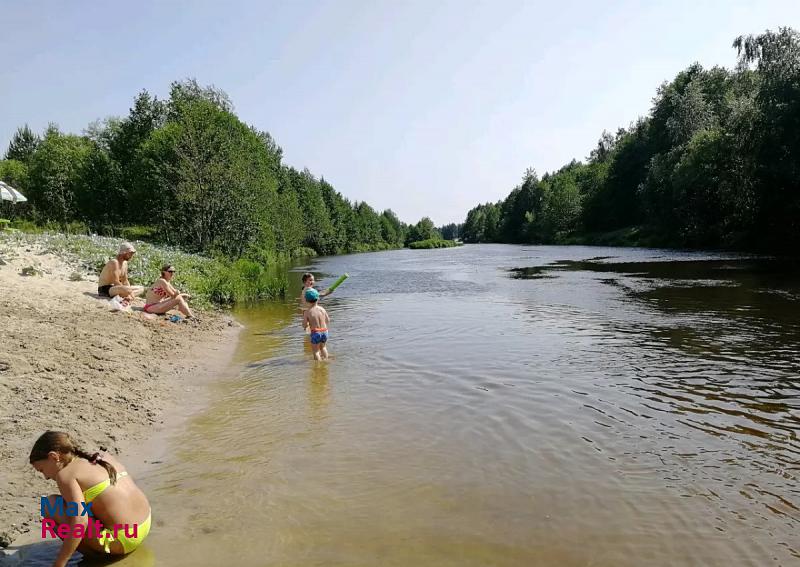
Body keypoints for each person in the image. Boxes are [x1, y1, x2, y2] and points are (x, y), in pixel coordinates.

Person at [29, 431, 151, 565]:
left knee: (49, 505)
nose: (45, 477)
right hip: (145, 523)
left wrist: (59, 563)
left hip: (124, 540)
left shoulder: (65, 475)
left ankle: (96, 558)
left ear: (54, 457)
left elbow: (80, 520)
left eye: (42, 470)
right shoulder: (100, 457)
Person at [302, 288, 330, 360]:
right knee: (323, 347)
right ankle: (326, 360)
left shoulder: (307, 312)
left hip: (315, 332)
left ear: (306, 300)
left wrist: (306, 326)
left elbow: (304, 325)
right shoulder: (322, 309)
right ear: (317, 298)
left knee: (316, 351)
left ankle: (318, 366)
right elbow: (328, 320)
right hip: (324, 331)